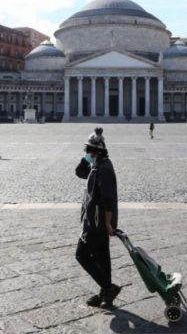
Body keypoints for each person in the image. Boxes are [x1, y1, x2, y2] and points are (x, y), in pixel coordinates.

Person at [75, 128, 121, 309]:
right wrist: (85, 160)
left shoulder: (105, 169)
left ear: (97, 152)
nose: (87, 153)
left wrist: (109, 224)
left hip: (98, 223)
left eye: (89, 151)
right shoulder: (96, 165)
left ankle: (108, 288)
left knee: (81, 255)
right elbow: (79, 172)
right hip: (93, 220)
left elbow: (108, 200)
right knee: (102, 257)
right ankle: (105, 295)